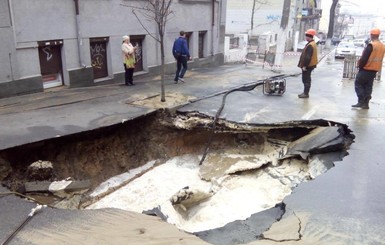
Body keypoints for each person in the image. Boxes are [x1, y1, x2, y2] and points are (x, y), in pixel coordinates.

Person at [352, 28, 385, 109]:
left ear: (372, 35)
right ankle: (366, 104)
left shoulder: (371, 45)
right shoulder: (382, 46)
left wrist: (360, 66)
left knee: (358, 84)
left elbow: (364, 58)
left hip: (366, 69)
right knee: (368, 86)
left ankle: (361, 101)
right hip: (374, 70)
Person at [297, 29, 318, 98]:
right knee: (306, 79)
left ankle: (306, 93)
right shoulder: (312, 43)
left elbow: (308, 57)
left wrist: (305, 66)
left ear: (309, 36)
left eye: (306, 36)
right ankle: (305, 93)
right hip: (310, 65)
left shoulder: (310, 45)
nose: (306, 38)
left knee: (306, 79)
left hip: (308, 66)